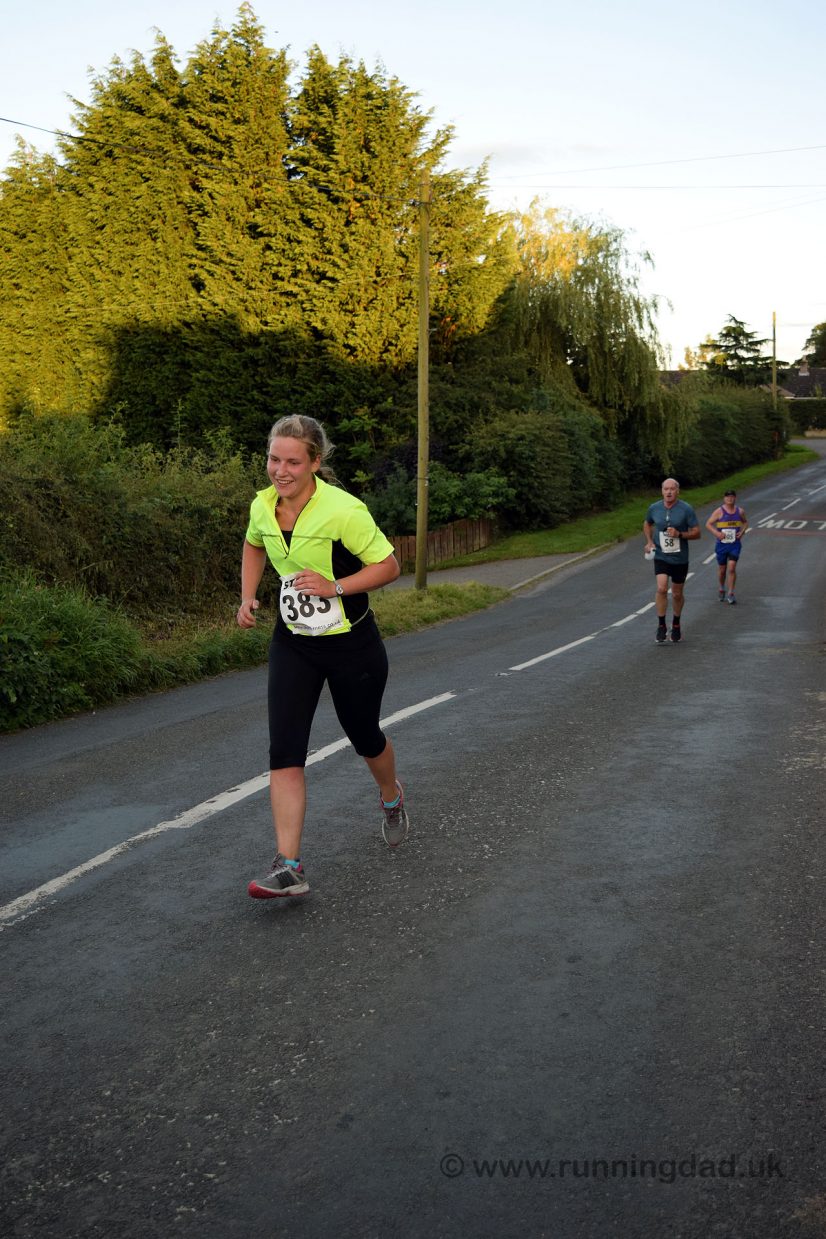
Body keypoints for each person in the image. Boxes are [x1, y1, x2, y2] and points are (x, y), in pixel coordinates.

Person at [237, 414, 408, 899]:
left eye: (293, 461)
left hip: (352, 643)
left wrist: (335, 587)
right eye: (274, 458)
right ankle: (289, 866)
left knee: (365, 737)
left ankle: (392, 796)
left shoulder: (344, 510)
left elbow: (390, 565)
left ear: (315, 462)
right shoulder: (262, 507)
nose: (280, 470)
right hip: (294, 643)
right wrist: (248, 595)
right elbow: (252, 546)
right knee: (284, 750)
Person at [643, 478, 701, 644]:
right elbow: (647, 524)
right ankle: (661, 625)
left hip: (680, 557)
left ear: (677, 491)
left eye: (672, 489)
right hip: (661, 555)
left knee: (676, 594)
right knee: (661, 588)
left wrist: (680, 534)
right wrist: (649, 541)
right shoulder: (654, 508)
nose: (668, 492)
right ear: (662, 491)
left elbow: (697, 532)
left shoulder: (686, 509)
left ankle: (676, 624)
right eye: (666, 489)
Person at [705, 489, 747, 604]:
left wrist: (742, 532)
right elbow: (708, 524)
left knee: (732, 567)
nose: (730, 499)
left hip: (734, 544)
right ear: (724, 499)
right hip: (722, 545)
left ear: (735, 498)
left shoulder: (740, 511)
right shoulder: (719, 511)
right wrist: (717, 533)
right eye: (727, 497)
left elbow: (745, 522)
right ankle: (721, 587)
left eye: (732, 497)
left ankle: (731, 593)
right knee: (722, 569)